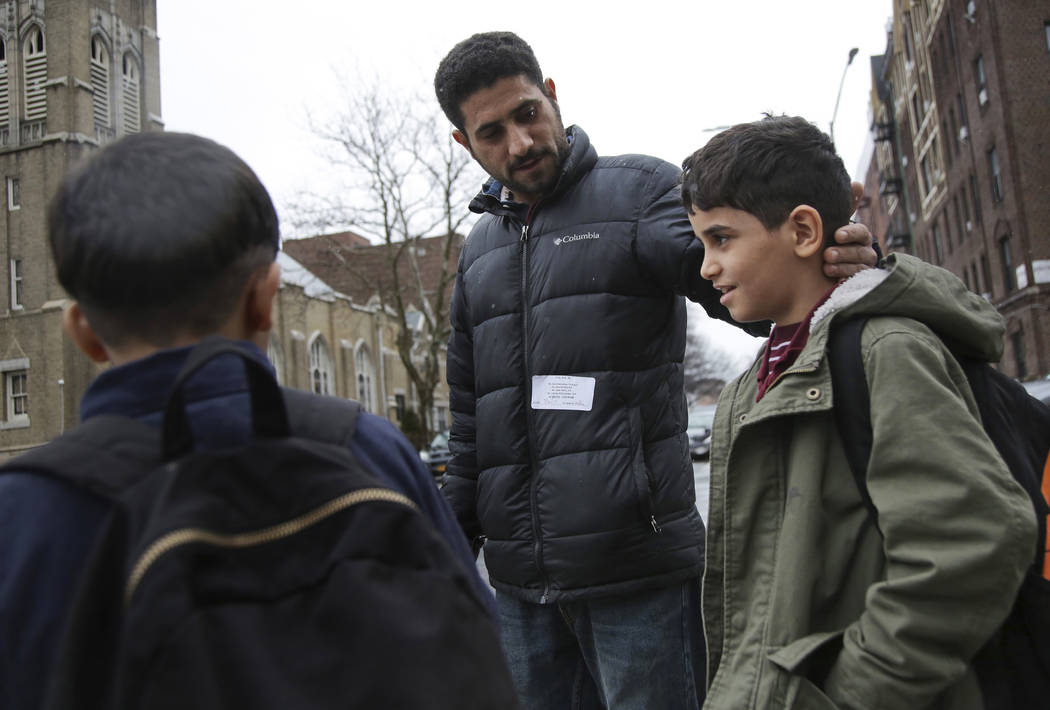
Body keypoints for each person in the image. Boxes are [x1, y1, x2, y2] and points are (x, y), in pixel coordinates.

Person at [433, 32, 877, 709]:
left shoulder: (639, 193)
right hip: (521, 591)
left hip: (638, 580)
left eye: (527, 114)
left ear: (551, 97)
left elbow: (759, 297)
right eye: (492, 132)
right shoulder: (478, 252)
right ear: (466, 144)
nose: (520, 143)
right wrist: (445, 552)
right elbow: (470, 422)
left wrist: (831, 261)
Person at [0, 132, 496, 710]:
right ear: (266, 299)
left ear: (83, 332)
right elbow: (475, 650)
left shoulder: (22, 517)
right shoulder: (367, 451)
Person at [681, 115, 1035, 709]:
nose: (705, 267)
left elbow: (971, 546)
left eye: (722, 240)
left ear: (801, 231)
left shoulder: (884, 351)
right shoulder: (753, 384)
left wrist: (848, 692)